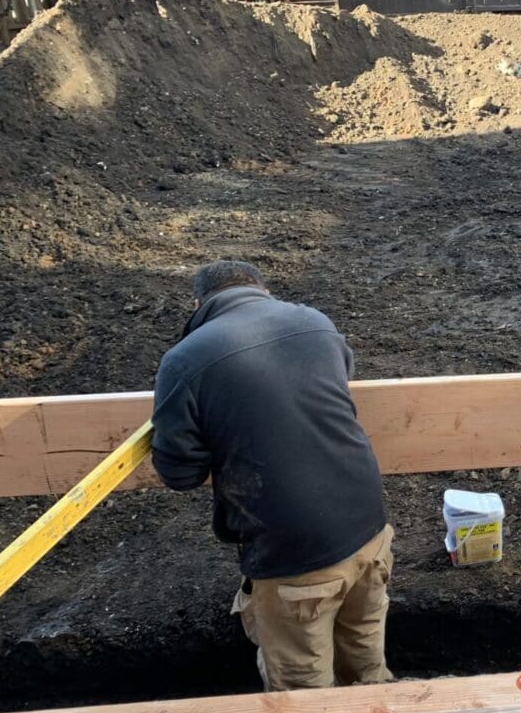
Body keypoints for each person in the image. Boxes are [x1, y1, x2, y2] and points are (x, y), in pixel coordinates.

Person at [151, 260, 394, 691]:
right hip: (369, 525)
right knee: (365, 658)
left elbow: (180, 472)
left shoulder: (184, 361)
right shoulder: (316, 323)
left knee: (303, 694)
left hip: (294, 553)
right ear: (262, 290)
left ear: (198, 303)